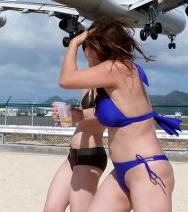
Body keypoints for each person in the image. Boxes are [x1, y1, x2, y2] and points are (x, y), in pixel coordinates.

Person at [59, 19, 181, 212]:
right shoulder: (111, 76)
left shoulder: (118, 68)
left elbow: (65, 79)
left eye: (86, 46)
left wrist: (73, 42)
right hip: (121, 172)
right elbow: (94, 114)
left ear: (98, 47)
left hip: (146, 169)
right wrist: (70, 115)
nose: (84, 53)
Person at [43, 89, 107, 212]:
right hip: (72, 155)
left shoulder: (109, 83)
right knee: (51, 209)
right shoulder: (86, 85)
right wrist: (63, 117)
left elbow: (105, 113)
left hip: (90, 157)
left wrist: (72, 113)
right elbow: (82, 119)